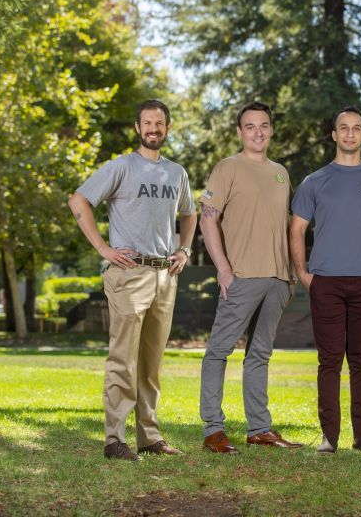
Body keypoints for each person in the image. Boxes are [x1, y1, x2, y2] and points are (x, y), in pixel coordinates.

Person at [68, 99, 197, 461]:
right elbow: (78, 201)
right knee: (123, 360)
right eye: (147, 123)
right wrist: (103, 248)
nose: (154, 128)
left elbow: (190, 214)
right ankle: (114, 440)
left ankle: (149, 437)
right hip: (128, 272)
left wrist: (184, 249)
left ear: (167, 129)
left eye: (160, 122)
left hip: (165, 274)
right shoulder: (121, 167)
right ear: (138, 129)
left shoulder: (177, 173)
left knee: (151, 363)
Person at [290, 106, 361, 454]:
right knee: (329, 361)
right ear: (334, 135)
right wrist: (304, 274)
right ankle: (329, 437)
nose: (350, 134)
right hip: (326, 282)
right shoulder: (314, 182)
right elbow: (296, 230)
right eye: (343, 128)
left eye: (356, 128)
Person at [198, 102, 301, 454]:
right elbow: (206, 218)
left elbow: (284, 226)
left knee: (260, 355)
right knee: (218, 352)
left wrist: (289, 274)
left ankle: (259, 428)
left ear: (271, 130)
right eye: (250, 126)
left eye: (264, 125)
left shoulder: (281, 172)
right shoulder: (228, 167)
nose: (258, 132)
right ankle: (213, 429)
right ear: (240, 132)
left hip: (277, 279)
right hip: (241, 276)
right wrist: (224, 269)